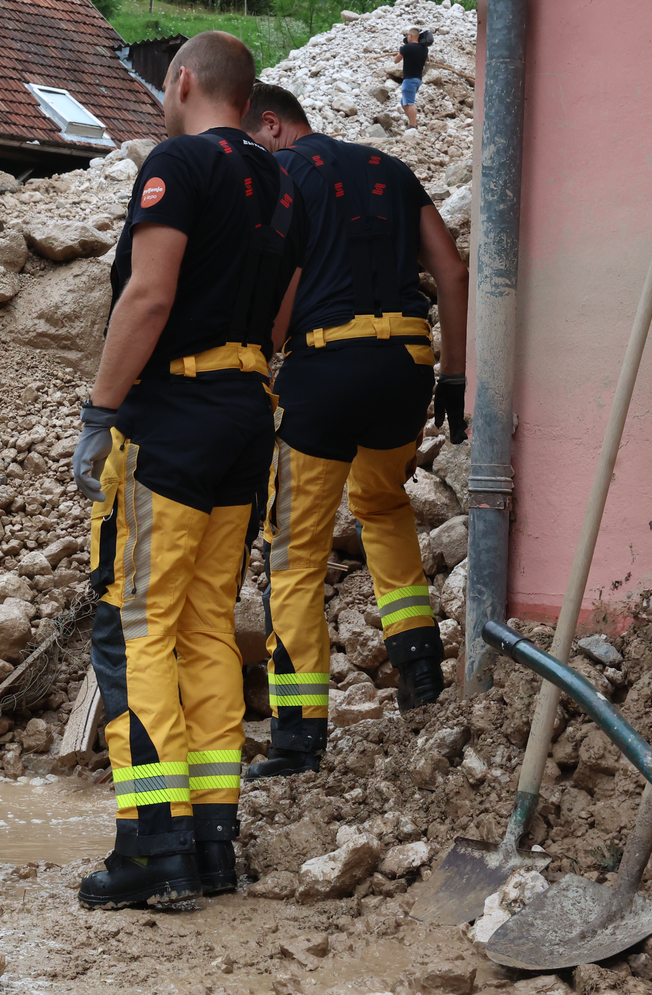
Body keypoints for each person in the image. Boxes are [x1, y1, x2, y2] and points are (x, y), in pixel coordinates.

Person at [69, 32, 305, 909]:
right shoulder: (283, 180)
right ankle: (212, 840)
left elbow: (150, 293)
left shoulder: (177, 161)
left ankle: (151, 847)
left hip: (174, 415)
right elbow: (279, 318)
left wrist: (101, 412)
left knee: (136, 626)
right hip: (246, 413)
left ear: (183, 82)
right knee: (207, 624)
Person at [240, 82, 469, 780]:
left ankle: (297, 740)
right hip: (407, 367)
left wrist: (257, 368)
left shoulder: (284, 173)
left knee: (294, 551)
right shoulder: (389, 168)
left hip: (327, 367)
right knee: (382, 504)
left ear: (272, 127)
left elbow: (284, 285)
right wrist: (455, 375)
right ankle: (421, 681)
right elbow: (452, 271)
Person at [392, 29, 430, 129]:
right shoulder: (424, 49)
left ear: (411, 35)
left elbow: (396, 60)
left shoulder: (407, 47)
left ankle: (413, 125)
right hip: (418, 79)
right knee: (404, 102)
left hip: (409, 79)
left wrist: (401, 51)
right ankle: (412, 121)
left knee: (409, 103)